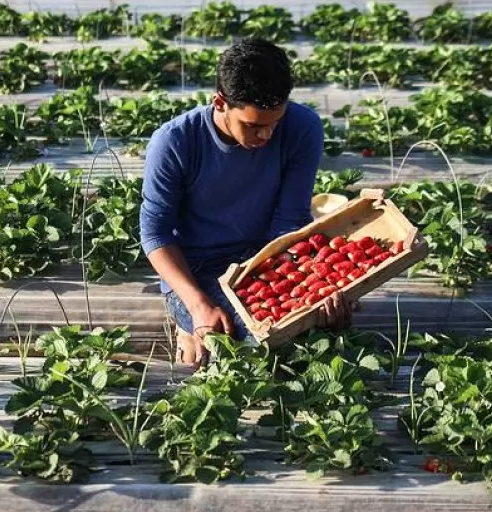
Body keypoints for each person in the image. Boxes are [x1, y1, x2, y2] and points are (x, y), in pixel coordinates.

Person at [139, 37, 353, 366]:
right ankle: (187, 321)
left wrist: (303, 289)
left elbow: (290, 221)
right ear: (220, 102)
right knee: (242, 347)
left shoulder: (302, 128)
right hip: (198, 269)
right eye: (253, 126)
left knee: (299, 333)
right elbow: (155, 232)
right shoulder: (175, 142)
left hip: (265, 259)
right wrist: (198, 304)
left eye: (274, 124)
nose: (266, 136)